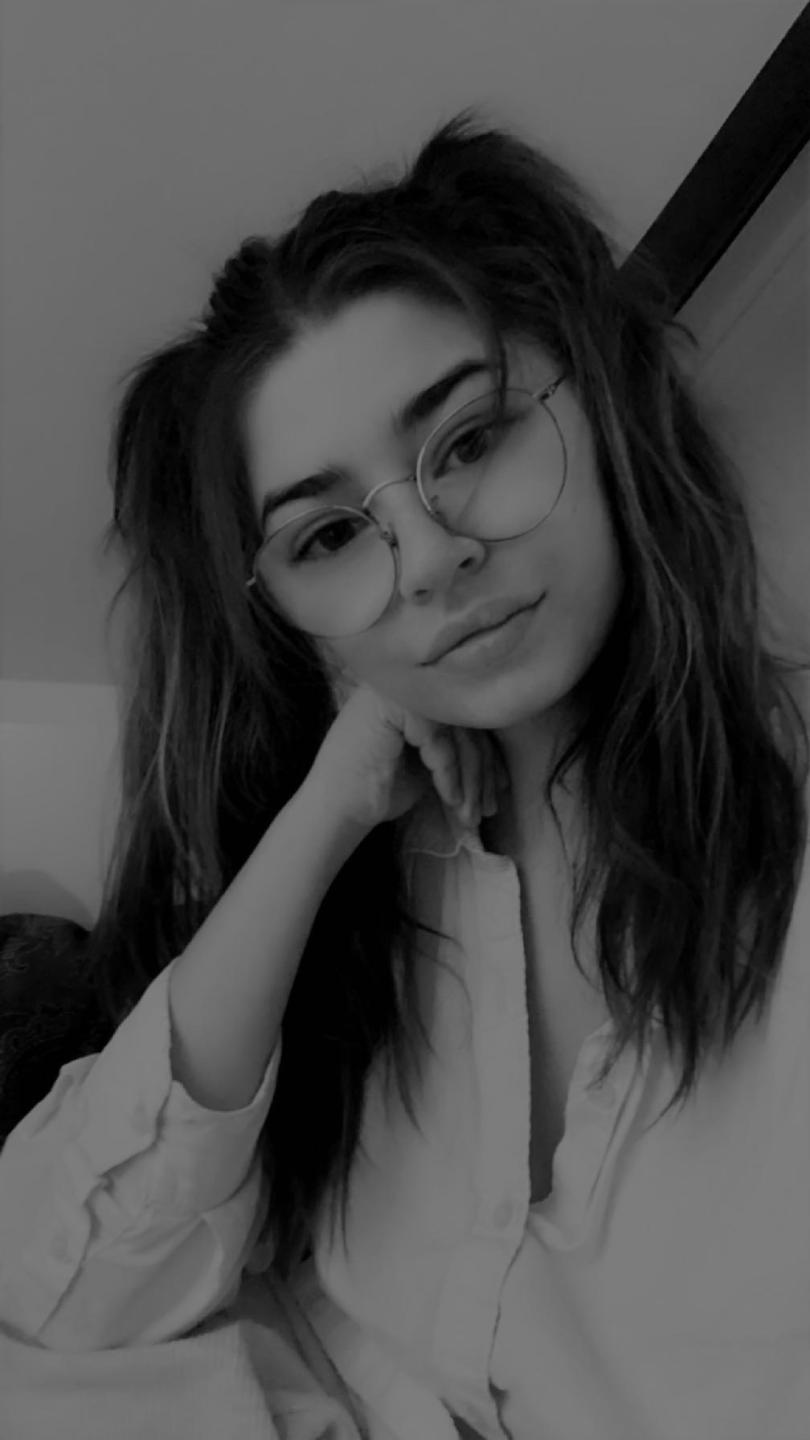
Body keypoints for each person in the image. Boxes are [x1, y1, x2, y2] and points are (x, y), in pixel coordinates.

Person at [1, 108, 808, 1440]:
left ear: (603, 408)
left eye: (472, 440)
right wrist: (326, 814)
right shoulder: (375, 884)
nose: (429, 558)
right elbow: (59, 1300)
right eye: (328, 537)